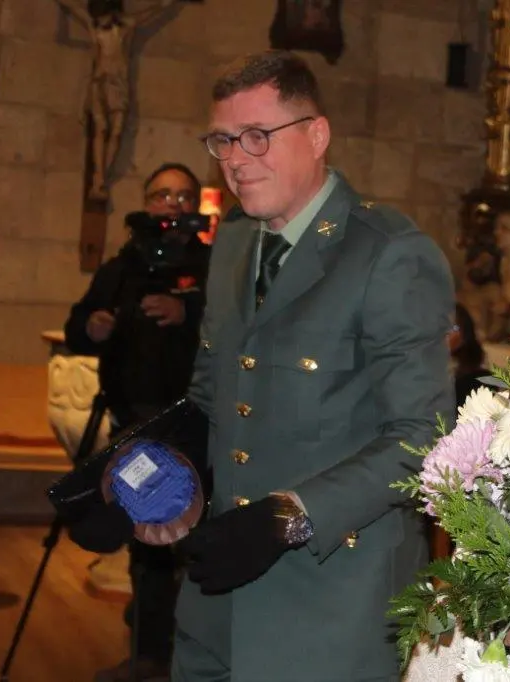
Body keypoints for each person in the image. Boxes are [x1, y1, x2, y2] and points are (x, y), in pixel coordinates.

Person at [170, 49, 454, 681]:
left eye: (256, 137)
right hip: (218, 602)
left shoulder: (388, 254)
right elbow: (212, 395)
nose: (236, 158)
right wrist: (152, 480)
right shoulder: (236, 242)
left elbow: (424, 438)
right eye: (222, 140)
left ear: (316, 135)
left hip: (331, 610)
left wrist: (287, 517)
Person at [64, 162, 210, 682]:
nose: (172, 204)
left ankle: (197, 661)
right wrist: (93, 326)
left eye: (183, 197)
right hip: (133, 426)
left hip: (196, 430)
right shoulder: (122, 266)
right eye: (161, 195)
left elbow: (238, 334)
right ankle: (148, 658)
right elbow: (77, 326)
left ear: (197, 207)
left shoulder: (216, 267)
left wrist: (186, 313)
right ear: (145, 202)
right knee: (147, 547)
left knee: (193, 549)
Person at [52, 0, 179, 199]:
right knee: (101, 129)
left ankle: (104, 175)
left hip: (119, 84)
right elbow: (74, 11)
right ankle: (99, 178)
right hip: (99, 82)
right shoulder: (95, 27)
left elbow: (152, 13)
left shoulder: (125, 28)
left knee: (117, 131)